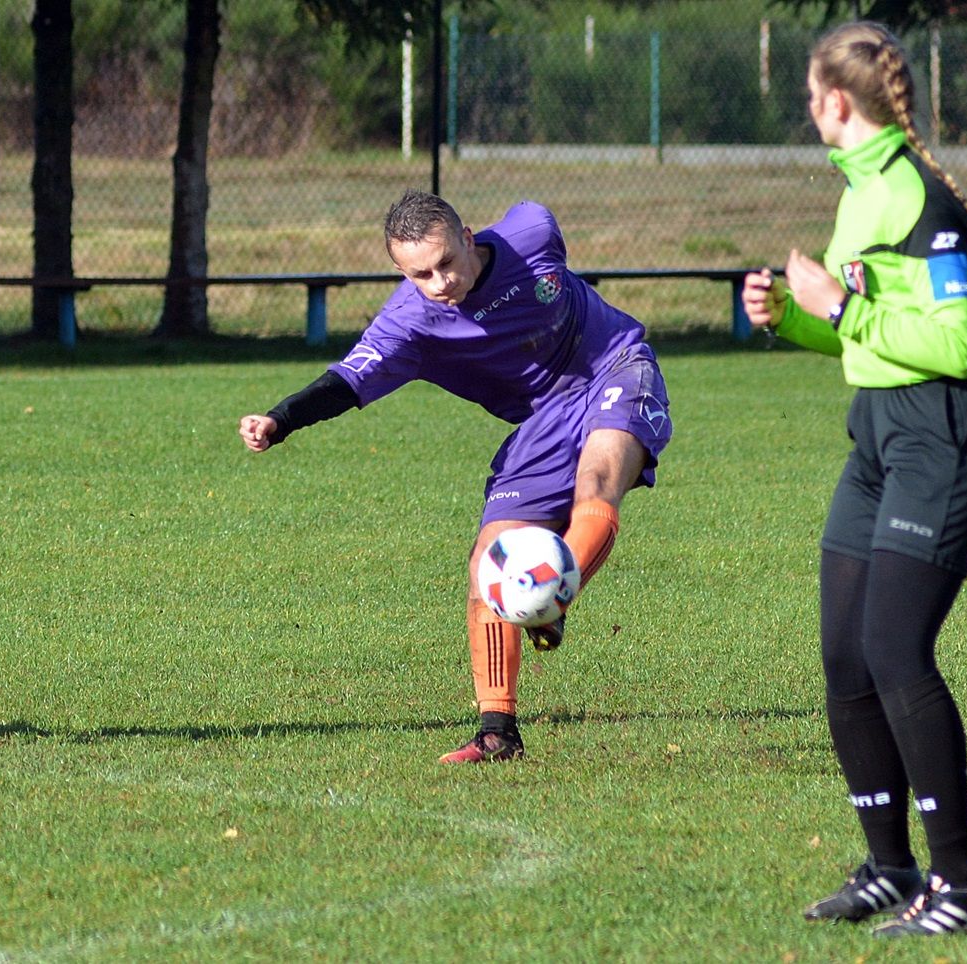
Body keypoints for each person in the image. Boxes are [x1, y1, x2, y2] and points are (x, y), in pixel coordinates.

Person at [239, 189, 672, 764]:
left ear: (470, 239)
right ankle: (498, 733)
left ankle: (550, 600)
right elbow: (345, 380)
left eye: (447, 263)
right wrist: (280, 419)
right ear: (400, 271)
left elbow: (536, 224)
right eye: (420, 274)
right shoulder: (409, 324)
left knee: (597, 483)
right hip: (543, 419)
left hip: (613, 366)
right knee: (487, 562)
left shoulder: (532, 234)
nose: (440, 282)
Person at [741, 22, 967, 938]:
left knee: (896, 652)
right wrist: (792, 318)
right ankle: (890, 870)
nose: (808, 109)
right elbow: (863, 334)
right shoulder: (860, 193)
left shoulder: (913, 193)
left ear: (835, 102)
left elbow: (960, 343)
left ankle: (964, 885)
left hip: (943, 429)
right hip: (879, 433)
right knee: (845, 659)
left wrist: (838, 303)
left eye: (811, 96)